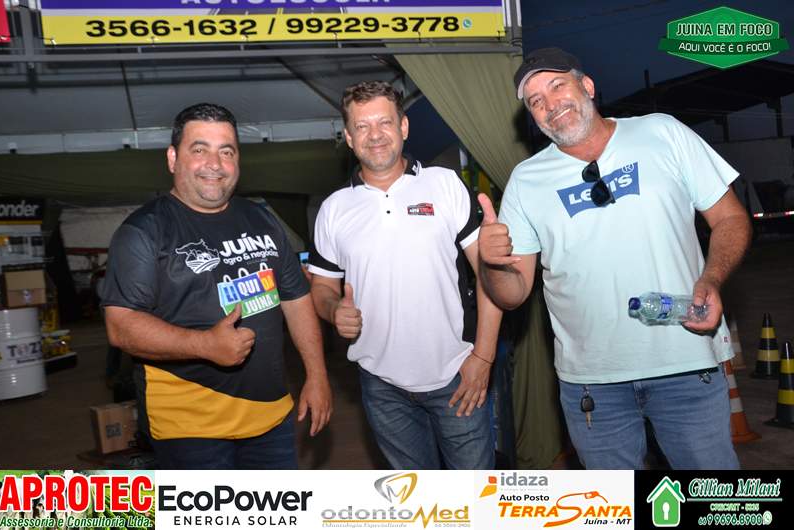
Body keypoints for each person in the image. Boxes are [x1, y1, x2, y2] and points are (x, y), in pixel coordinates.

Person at [478, 48, 751, 469]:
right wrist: (492, 263)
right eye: (536, 101)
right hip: (592, 385)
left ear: (587, 86)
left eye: (557, 86)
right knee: (613, 503)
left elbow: (730, 218)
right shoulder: (525, 181)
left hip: (685, 364)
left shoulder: (662, 132)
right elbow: (513, 293)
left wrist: (712, 278)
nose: (551, 104)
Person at [101, 102, 332, 469]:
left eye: (227, 151)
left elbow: (296, 298)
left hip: (272, 417)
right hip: (190, 428)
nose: (215, 163)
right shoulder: (143, 231)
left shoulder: (262, 219)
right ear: (173, 158)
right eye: (200, 149)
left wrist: (317, 376)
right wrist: (205, 345)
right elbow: (121, 326)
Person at [308, 81, 503, 469]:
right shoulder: (333, 209)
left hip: (457, 374)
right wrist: (332, 310)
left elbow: (489, 274)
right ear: (349, 137)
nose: (375, 135)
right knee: (415, 497)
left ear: (403, 127)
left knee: (475, 495)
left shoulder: (444, 184)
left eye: (384, 122)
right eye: (362, 126)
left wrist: (484, 356)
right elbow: (322, 287)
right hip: (382, 386)